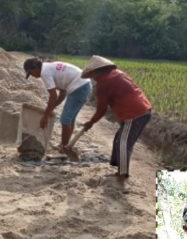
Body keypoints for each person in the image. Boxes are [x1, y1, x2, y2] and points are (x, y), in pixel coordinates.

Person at [81, 56, 152, 184]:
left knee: (123, 143)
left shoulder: (104, 84)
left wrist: (91, 122)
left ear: (99, 71)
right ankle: (118, 168)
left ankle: (122, 174)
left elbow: (101, 110)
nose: (93, 79)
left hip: (134, 113)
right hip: (142, 109)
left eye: (93, 75)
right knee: (119, 139)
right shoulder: (118, 74)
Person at [24, 57, 92, 152]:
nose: (33, 76)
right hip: (85, 85)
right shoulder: (49, 67)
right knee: (70, 119)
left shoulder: (44, 72)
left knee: (65, 119)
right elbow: (62, 94)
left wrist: (45, 116)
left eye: (31, 73)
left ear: (34, 68)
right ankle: (66, 145)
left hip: (79, 87)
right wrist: (51, 108)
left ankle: (63, 148)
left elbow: (53, 96)